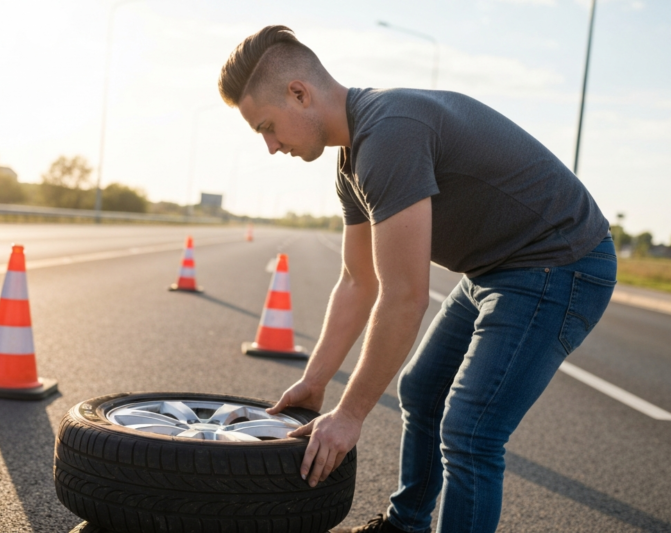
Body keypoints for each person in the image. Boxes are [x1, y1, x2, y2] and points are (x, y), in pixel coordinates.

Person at [218, 25, 616, 533]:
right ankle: (406, 526)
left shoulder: (390, 133)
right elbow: (356, 282)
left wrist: (350, 414)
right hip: (497, 267)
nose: (271, 146)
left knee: (471, 431)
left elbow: (404, 298)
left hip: (562, 264)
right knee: (422, 389)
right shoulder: (352, 162)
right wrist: (316, 383)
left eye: (267, 127)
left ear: (300, 93)